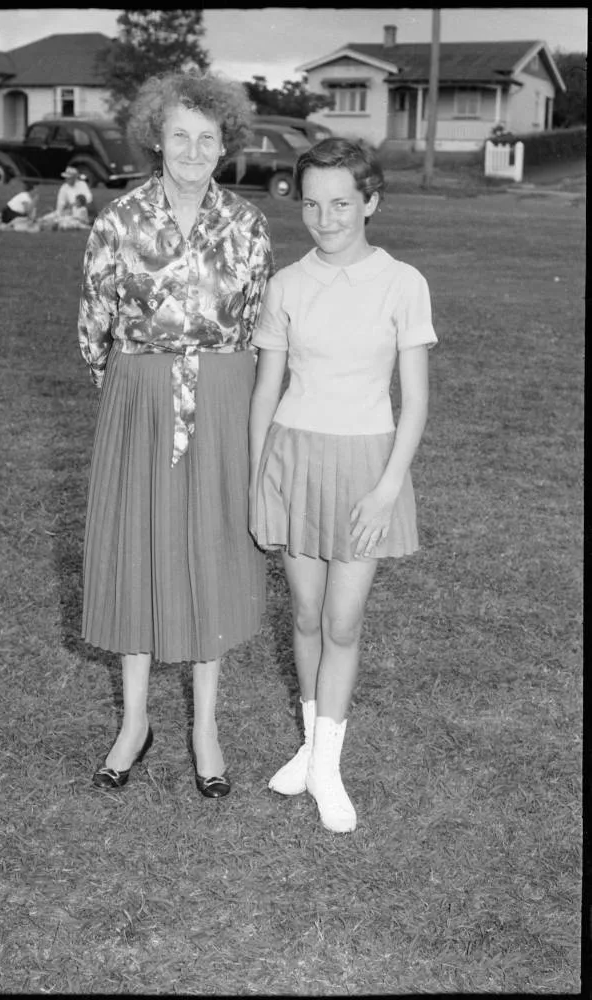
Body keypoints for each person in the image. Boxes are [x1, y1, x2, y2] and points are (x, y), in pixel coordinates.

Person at [78, 71, 273, 798]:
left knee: (211, 548)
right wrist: (141, 393)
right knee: (137, 545)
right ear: (155, 138)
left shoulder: (247, 226)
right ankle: (133, 724)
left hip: (222, 398)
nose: (192, 148)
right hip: (139, 397)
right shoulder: (117, 221)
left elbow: (257, 326)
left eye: (207, 136)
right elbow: (93, 330)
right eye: (179, 134)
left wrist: (217, 392)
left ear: (225, 145)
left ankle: (204, 728)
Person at [249, 138, 437, 833]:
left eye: (341, 204)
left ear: (369, 204)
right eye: (312, 204)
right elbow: (265, 391)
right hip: (292, 461)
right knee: (302, 616)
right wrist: (255, 481)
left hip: (365, 467)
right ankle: (311, 746)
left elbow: (412, 401)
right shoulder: (285, 285)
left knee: (341, 621)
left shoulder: (401, 282)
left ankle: (326, 766)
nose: (325, 218)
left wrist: (388, 488)